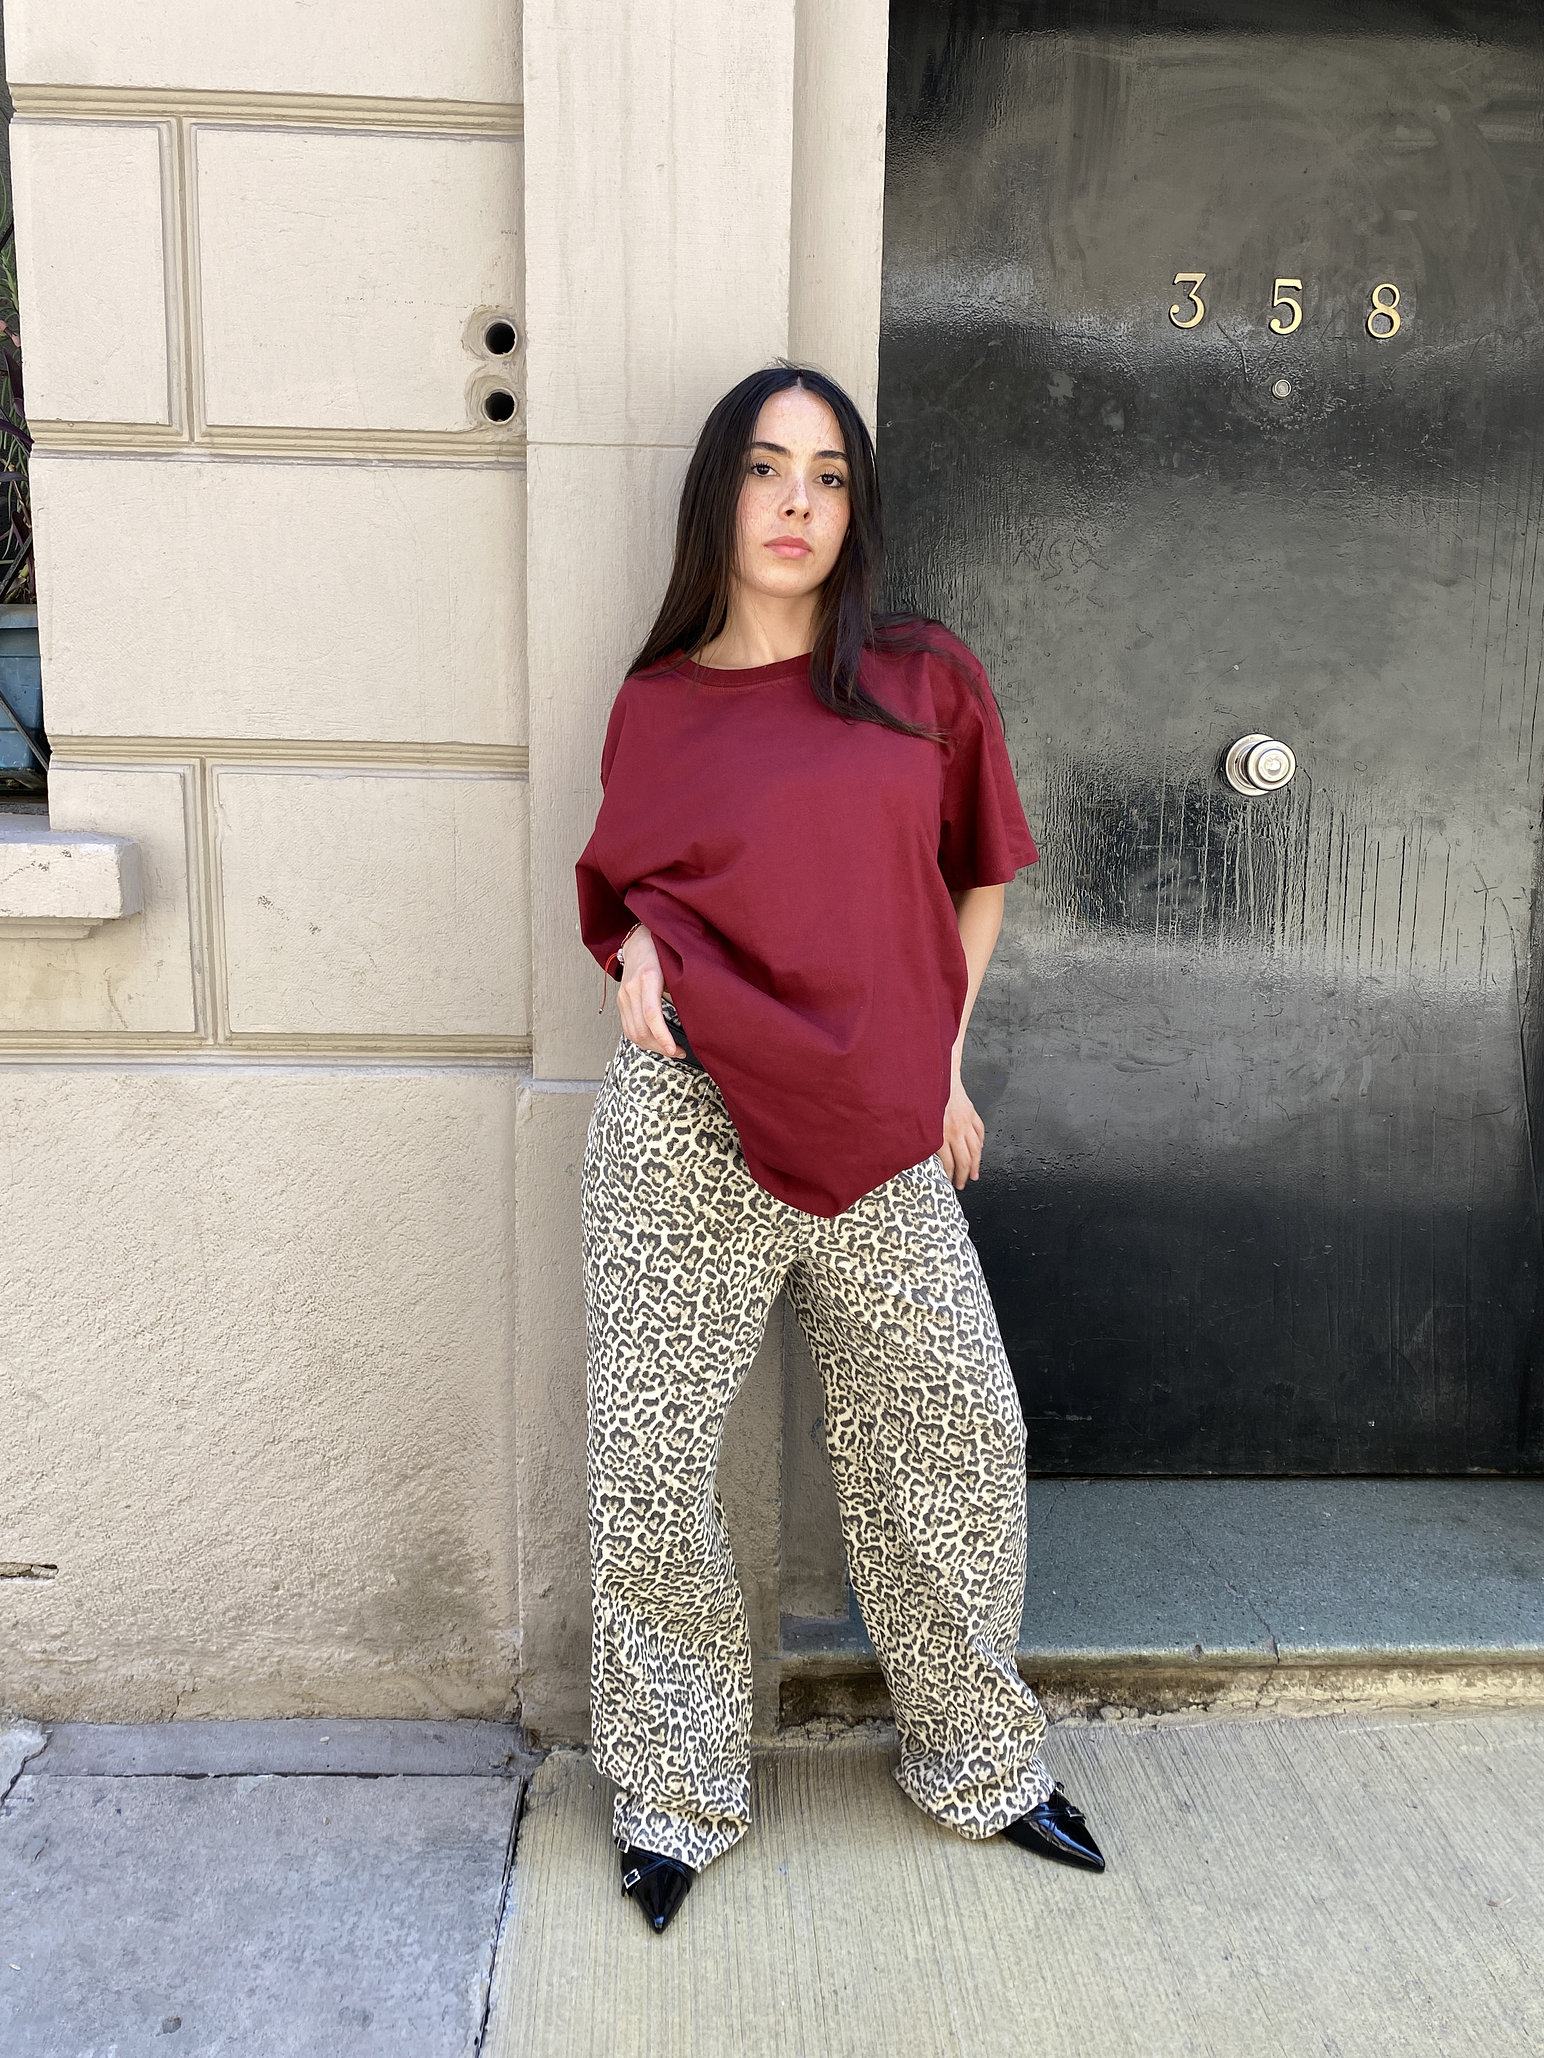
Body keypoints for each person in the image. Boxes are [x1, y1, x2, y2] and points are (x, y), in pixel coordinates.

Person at [575, 363, 1105, 1936]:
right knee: (650, 1464)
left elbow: (978, 875)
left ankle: (979, 1758)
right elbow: (634, 895)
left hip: (878, 1122)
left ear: (855, 508)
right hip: (689, 1113)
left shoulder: (921, 677)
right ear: (719, 496)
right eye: (765, 467)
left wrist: (940, 1067)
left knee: (957, 1434)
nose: (796, 501)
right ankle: (675, 1789)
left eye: (827, 474)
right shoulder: (658, 701)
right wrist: (637, 951)